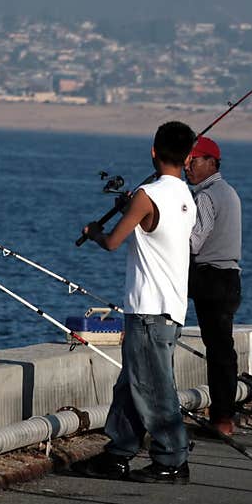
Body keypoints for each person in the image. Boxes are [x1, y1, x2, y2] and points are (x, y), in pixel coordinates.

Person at [74, 121, 197, 484]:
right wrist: (134, 207)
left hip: (147, 310)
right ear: (189, 158)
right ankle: (118, 452)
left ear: (153, 152)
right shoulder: (186, 198)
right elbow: (154, 225)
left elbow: (113, 242)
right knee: (131, 384)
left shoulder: (146, 195)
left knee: (154, 389)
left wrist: (94, 232)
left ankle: (173, 459)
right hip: (171, 309)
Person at [185, 136, 242, 437]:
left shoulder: (206, 196)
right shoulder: (229, 192)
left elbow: (194, 241)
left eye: (192, 161)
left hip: (212, 279)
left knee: (219, 351)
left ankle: (222, 419)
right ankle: (224, 415)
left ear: (211, 162)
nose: (187, 167)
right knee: (223, 350)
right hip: (230, 279)